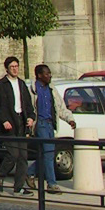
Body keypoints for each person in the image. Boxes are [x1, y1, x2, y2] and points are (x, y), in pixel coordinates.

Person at [25, 64, 75, 194]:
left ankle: (30, 172)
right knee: (48, 153)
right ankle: (51, 184)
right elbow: (28, 108)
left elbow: (60, 107)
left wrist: (70, 119)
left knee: (47, 153)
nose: (49, 76)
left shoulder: (52, 89)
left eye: (50, 73)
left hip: (50, 124)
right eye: (47, 74)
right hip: (40, 124)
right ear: (39, 75)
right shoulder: (32, 90)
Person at [0, 56, 35, 196]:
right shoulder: (0, 85)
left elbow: (28, 105)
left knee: (23, 157)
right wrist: (3, 120)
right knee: (13, 154)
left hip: (21, 124)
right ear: (7, 69)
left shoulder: (22, 84)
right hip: (8, 125)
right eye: (12, 67)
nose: (15, 69)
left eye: (16, 66)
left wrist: (31, 118)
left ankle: (18, 187)